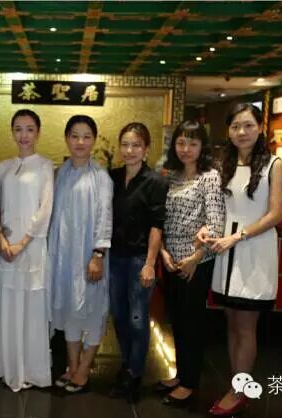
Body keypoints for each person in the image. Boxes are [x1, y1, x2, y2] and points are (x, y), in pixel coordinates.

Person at [201, 103, 282, 416]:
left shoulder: (274, 164)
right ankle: (236, 383)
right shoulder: (224, 163)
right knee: (232, 321)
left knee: (247, 323)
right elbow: (217, 207)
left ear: (260, 128)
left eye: (248, 125)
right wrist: (208, 228)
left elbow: (275, 214)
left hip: (254, 249)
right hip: (226, 249)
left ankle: (239, 390)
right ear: (229, 131)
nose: (242, 132)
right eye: (236, 126)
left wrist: (239, 236)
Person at [157, 120, 225, 408]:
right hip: (171, 261)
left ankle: (189, 383)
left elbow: (216, 222)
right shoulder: (171, 177)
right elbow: (160, 219)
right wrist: (163, 253)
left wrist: (195, 259)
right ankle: (181, 374)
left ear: (202, 147)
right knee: (176, 320)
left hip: (196, 262)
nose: (186, 149)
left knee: (192, 323)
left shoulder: (210, 177)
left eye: (193, 143)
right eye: (181, 143)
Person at [0, 109, 54, 392]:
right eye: (18, 129)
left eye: (29, 129)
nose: (24, 135)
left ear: (38, 132)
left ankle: (31, 370)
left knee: (31, 309)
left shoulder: (45, 166)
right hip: (5, 248)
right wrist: (1, 239)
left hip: (31, 247)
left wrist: (22, 242)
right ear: (12, 132)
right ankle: (7, 366)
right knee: (7, 305)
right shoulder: (4, 166)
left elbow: (45, 209)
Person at [49, 115, 113, 394]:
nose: (80, 142)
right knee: (69, 309)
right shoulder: (60, 173)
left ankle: (84, 368)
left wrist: (98, 254)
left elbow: (105, 217)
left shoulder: (100, 177)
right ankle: (72, 366)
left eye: (87, 136)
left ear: (94, 141)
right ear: (66, 138)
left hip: (90, 256)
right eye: (75, 136)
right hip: (63, 256)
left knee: (94, 311)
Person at [107, 122, 168, 400]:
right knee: (119, 316)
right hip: (114, 258)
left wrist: (150, 263)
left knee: (138, 318)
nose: (129, 150)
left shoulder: (155, 181)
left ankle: (134, 374)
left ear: (146, 149)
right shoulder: (112, 177)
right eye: (125, 144)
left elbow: (157, 225)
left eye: (136, 145)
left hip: (139, 259)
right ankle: (126, 363)